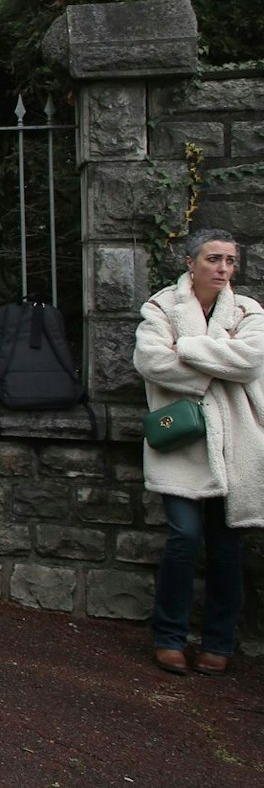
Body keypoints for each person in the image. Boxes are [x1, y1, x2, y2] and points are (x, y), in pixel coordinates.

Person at [133, 229, 264, 677]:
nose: (223, 269)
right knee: (184, 537)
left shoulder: (247, 310)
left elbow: (250, 361)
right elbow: (152, 361)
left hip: (236, 444)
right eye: (213, 259)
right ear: (191, 263)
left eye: (230, 261)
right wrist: (220, 365)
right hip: (182, 442)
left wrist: (186, 348)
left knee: (227, 546)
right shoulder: (161, 307)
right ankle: (169, 638)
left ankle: (218, 642)